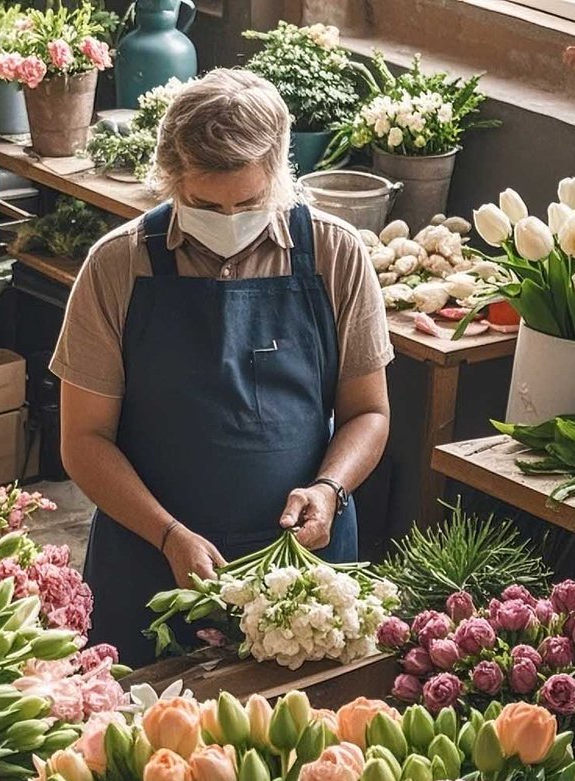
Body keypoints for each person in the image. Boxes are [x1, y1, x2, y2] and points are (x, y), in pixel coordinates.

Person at [51, 69, 393, 666]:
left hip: (302, 571)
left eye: (250, 202)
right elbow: (83, 441)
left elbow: (367, 411)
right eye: (205, 204)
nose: (230, 218)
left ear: (281, 175)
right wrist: (166, 533)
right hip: (150, 562)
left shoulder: (335, 254)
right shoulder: (119, 266)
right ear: (170, 180)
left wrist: (328, 488)